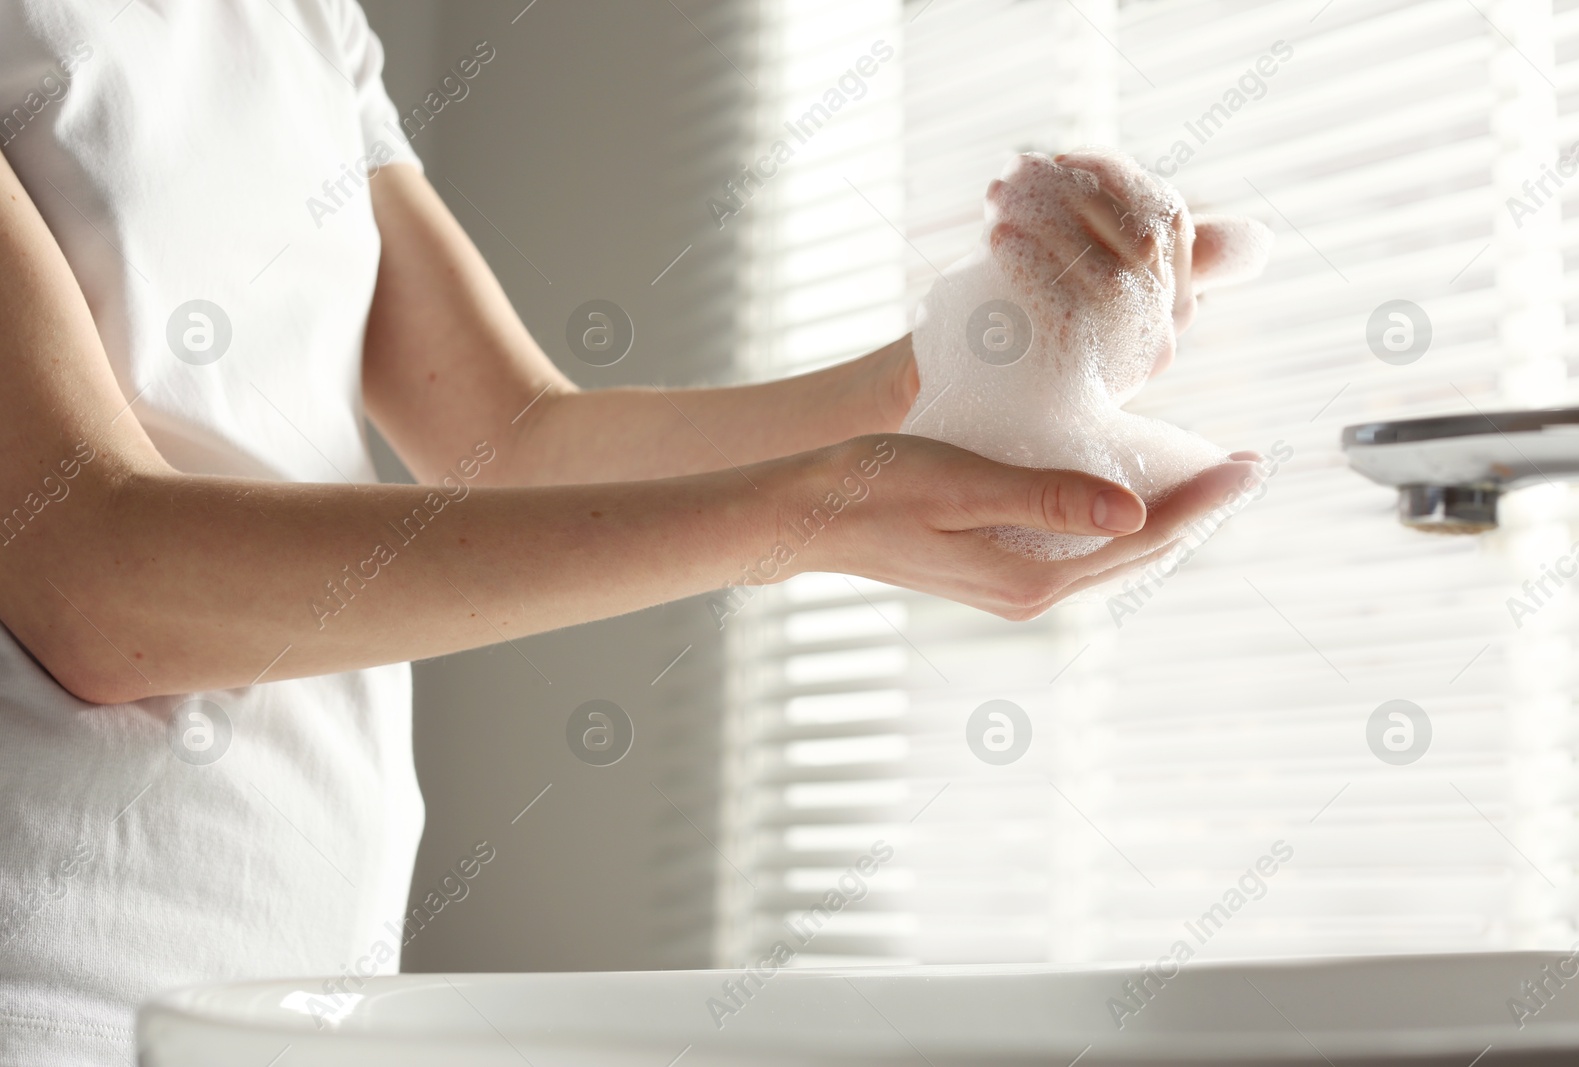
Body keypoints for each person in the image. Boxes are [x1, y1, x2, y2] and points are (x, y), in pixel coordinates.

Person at [0, 0, 1259, 1060]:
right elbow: (89, 571)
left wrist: (961, 363)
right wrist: (808, 508)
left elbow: (516, 439)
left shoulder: (304, 20)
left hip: (304, 991)